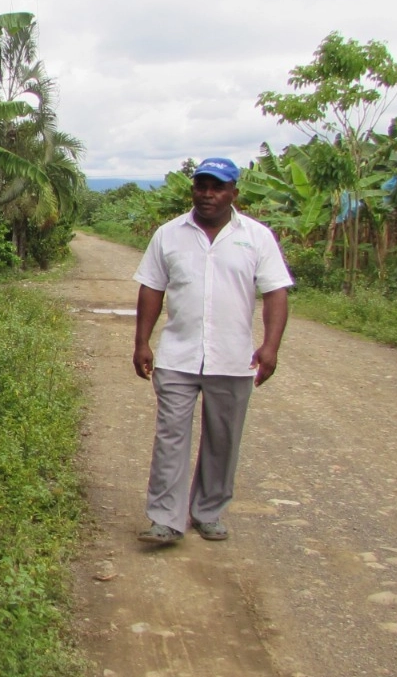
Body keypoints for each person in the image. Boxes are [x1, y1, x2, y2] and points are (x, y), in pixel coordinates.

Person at [132, 157, 293, 544]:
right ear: (193, 190)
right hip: (177, 356)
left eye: (217, 187)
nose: (208, 194)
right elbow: (151, 288)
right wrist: (141, 341)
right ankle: (166, 520)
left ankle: (207, 512)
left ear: (234, 193)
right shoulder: (168, 235)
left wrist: (270, 347)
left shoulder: (256, 237)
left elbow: (275, 293)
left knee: (223, 439)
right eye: (201, 185)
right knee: (171, 437)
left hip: (233, 358)